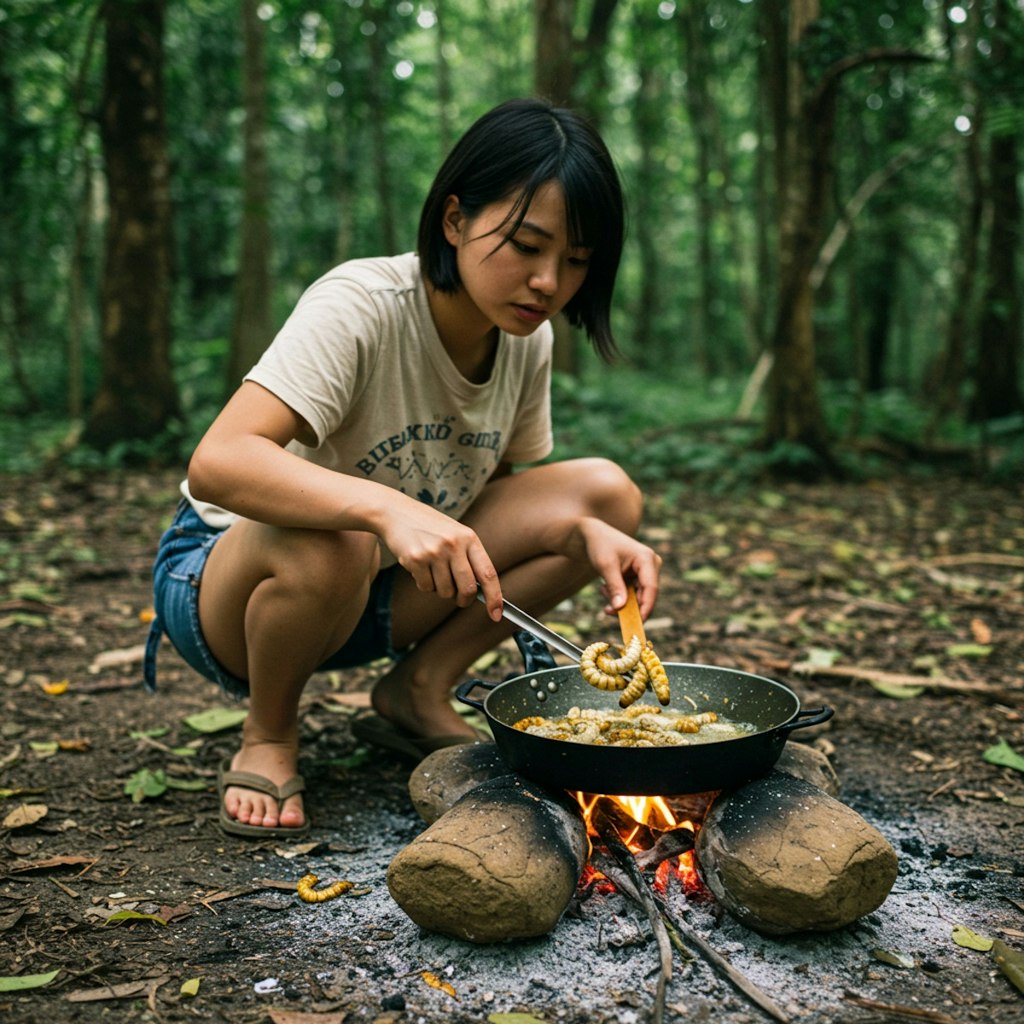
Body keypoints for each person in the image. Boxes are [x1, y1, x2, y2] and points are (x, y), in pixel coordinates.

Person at [144, 97, 662, 839]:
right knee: (339, 534)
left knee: (604, 497)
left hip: (378, 592)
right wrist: (384, 508)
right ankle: (269, 733)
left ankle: (418, 688)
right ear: (455, 220)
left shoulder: (527, 341)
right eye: (526, 244)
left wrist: (583, 536)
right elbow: (219, 463)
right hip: (229, 587)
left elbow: (513, 502)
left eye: (576, 261)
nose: (548, 282)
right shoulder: (362, 305)